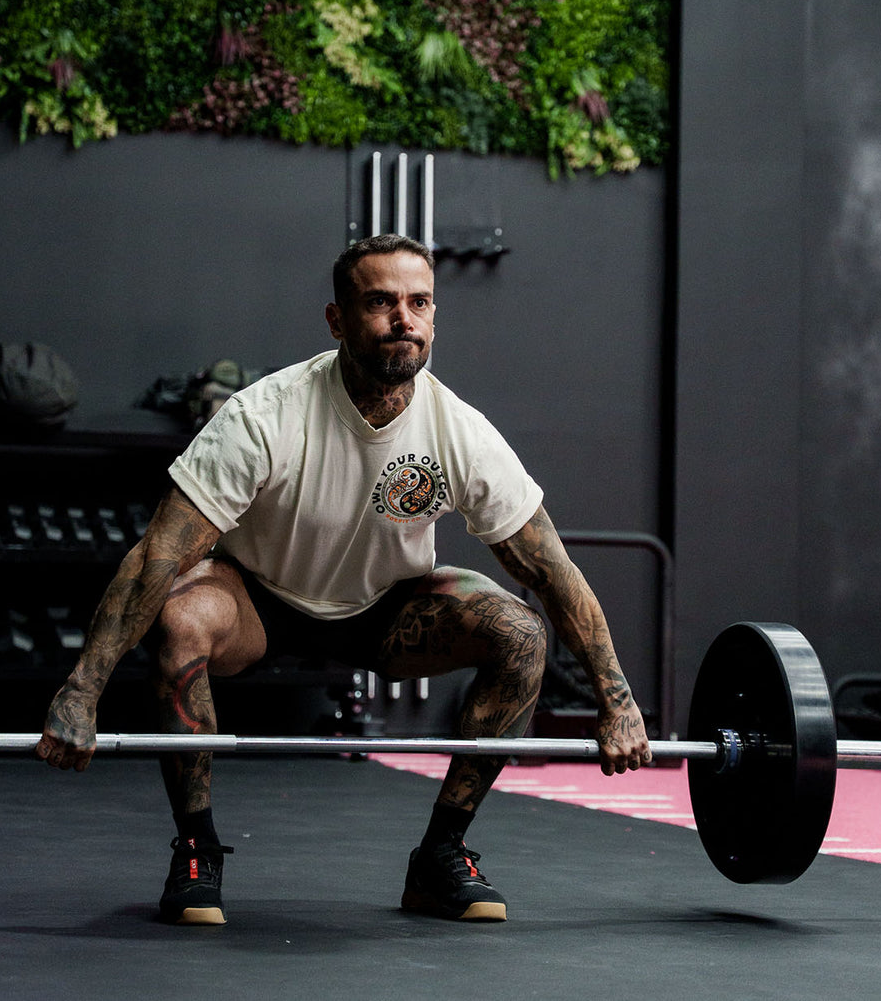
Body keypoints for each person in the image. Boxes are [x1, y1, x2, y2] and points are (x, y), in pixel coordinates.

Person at [36, 233, 651, 925]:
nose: (404, 319)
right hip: (257, 598)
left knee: (520, 632)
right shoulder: (264, 415)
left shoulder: (460, 432)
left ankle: (440, 856)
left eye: (420, 303)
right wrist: (82, 690)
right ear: (338, 320)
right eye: (381, 302)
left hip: (383, 609)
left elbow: (550, 568)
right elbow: (158, 556)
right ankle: (197, 849)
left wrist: (617, 699)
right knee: (181, 616)